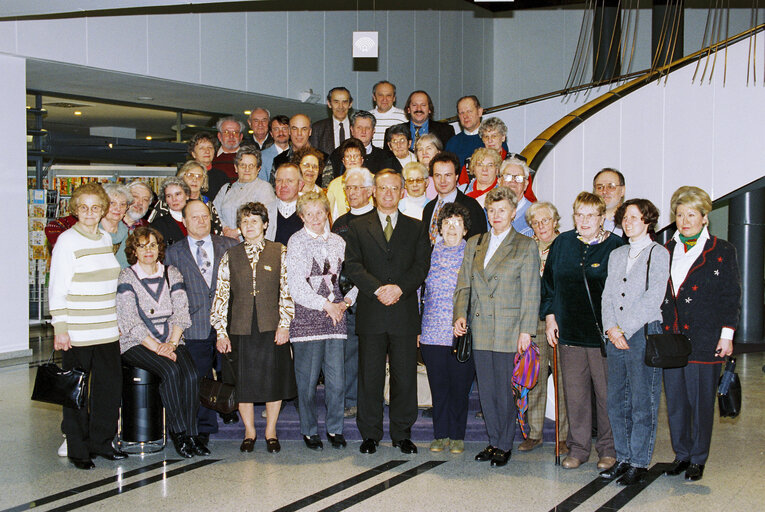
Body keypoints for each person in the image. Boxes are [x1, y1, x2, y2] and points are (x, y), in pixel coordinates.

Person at [344, 170, 431, 454]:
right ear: (374, 191)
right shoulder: (358, 227)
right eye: (383, 188)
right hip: (372, 310)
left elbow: (421, 266)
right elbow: (353, 265)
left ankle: (401, 433)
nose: (389, 193)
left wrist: (400, 289)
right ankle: (370, 433)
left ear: (403, 192)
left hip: (403, 311)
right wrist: (379, 289)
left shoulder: (416, 227)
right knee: (370, 376)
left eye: (395, 188)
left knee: (404, 376)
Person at [453, 187, 541, 467]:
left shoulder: (525, 246)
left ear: (514, 213)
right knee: (487, 390)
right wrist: (459, 314)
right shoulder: (475, 243)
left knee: (504, 391)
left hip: (509, 328)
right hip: (480, 327)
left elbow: (531, 291)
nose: (496, 215)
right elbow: (463, 284)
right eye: (491, 210)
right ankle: (493, 442)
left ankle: (505, 443)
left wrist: (526, 330)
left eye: (502, 210)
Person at [661, 186, 741, 482]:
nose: (684, 220)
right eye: (680, 214)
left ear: (705, 217)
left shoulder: (722, 251)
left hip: (706, 337)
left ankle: (698, 458)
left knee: (700, 401)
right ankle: (681, 455)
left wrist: (727, 334)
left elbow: (730, 295)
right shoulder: (665, 249)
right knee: (677, 401)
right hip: (672, 337)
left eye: (691, 214)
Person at [541, 192, 625, 471]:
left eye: (591, 215)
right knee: (575, 396)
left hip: (603, 336)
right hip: (570, 335)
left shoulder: (616, 246)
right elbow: (549, 285)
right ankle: (578, 448)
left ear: (603, 218)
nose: (584, 220)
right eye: (579, 214)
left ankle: (608, 449)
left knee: (606, 395)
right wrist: (551, 318)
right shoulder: (562, 243)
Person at [49, 182, 125, 470]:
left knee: (108, 390)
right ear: (75, 210)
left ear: (103, 209)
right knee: (76, 391)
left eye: (96, 207)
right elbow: (57, 288)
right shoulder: (67, 241)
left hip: (106, 328)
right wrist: (60, 328)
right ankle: (78, 448)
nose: (90, 212)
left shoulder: (106, 238)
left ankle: (102, 442)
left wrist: (115, 320)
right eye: (84, 207)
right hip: (78, 331)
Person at [210, 202, 297, 454]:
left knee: (273, 382)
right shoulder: (230, 255)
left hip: (272, 328)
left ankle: (270, 431)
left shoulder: (280, 251)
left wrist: (284, 324)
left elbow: (287, 291)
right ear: (239, 226)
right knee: (243, 384)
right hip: (240, 328)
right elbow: (221, 295)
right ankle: (250, 431)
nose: (249, 226)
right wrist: (221, 331)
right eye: (245, 222)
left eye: (254, 221)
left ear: (265, 225)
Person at [116, 227, 207, 458]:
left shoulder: (171, 273)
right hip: (136, 342)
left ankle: (193, 435)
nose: (148, 250)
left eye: (153, 245)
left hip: (171, 339)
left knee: (191, 375)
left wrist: (172, 343)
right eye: (142, 246)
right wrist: (158, 348)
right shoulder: (127, 276)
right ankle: (179, 434)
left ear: (160, 248)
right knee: (170, 371)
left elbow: (181, 312)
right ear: (134, 250)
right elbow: (129, 321)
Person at [599, 199, 670, 485]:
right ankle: (623, 457)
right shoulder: (617, 254)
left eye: (633, 217)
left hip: (642, 332)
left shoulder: (658, 253)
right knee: (617, 401)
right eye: (624, 218)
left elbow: (654, 296)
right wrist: (610, 329)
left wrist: (624, 329)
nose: (628, 223)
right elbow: (607, 296)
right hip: (615, 334)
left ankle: (639, 462)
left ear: (647, 220)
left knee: (643, 400)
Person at [286, 192, 358, 451]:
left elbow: (353, 277)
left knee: (337, 381)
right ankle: (309, 430)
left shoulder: (339, 241)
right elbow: (295, 285)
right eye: (310, 213)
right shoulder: (296, 241)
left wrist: (346, 303)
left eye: (320, 212)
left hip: (336, 317)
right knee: (306, 384)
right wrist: (326, 305)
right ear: (302, 216)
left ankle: (335, 429)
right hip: (308, 319)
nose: (316, 218)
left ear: (328, 213)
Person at [164, 200, 238, 442]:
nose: (201, 221)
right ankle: (203, 429)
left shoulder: (230, 245)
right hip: (193, 325)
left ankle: (229, 409)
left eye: (205, 216)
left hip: (227, 323)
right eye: (194, 217)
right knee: (199, 379)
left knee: (231, 371)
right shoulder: (173, 252)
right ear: (184, 221)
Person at [420, 202, 475, 455]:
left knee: (459, 388)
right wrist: (417, 328)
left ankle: (457, 435)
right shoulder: (428, 254)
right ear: (439, 228)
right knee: (438, 387)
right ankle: (440, 434)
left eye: (457, 223)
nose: (451, 228)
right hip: (431, 330)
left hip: (461, 332)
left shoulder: (474, 255)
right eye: (446, 223)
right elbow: (418, 291)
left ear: (465, 230)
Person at [519, 201, 569, 455]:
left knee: (562, 379)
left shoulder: (567, 245)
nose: (541, 226)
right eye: (536, 222)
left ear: (555, 221)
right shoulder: (528, 248)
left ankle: (563, 437)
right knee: (535, 378)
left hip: (561, 321)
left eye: (545, 220)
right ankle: (535, 433)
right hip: (534, 321)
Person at [330, 167, 375, 419]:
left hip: (369, 296)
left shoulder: (380, 219)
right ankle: (350, 400)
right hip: (344, 299)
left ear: (370, 190)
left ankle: (370, 398)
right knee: (347, 352)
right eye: (348, 187)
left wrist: (357, 291)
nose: (352, 192)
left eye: (357, 187)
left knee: (371, 352)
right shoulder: (340, 223)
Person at [421, 152, 487, 246]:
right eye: (438, 175)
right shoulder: (428, 208)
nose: (442, 181)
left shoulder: (471, 206)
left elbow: (479, 245)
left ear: (456, 176)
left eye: (448, 175)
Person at [213, 145, 277, 240]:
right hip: (225, 243)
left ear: (258, 168)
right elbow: (214, 212)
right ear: (236, 167)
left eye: (251, 165)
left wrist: (238, 232)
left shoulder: (264, 188)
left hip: (252, 247)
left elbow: (268, 223)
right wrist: (226, 229)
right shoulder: (226, 189)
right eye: (243, 165)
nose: (247, 169)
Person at [325, 110, 392, 183]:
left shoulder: (385, 157)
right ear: (352, 130)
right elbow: (327, 184)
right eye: (359, 127)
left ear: (373, 131)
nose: (363, 131)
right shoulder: (338, 154)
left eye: (367, 128)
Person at [387, 90, 454, 151]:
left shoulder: (446, 131)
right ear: (408, 110)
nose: (419, 109)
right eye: (414, 105)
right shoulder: (392, 132)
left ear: (429, 109)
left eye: (423, 105)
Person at [176, 160, 223, 235]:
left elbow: (218, 234)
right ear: (182, 177)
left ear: (203, 181)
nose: (194, 180)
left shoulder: (208, 204)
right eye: (190, 175)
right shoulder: (171, 201)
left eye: (199, 176)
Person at [325, 138, 367, 220]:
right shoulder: (334, 184)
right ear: (343, 161)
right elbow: (330, 214)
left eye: (356, 156)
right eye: (348, 156)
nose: (352, 159)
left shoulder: (373, 180)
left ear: (362, 160)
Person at [311, 87, 353, 155]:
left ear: (350, 104)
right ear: (329, 104)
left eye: (344, 102)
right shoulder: (318, 128)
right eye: (336, 102)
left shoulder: (358, 127)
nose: (340, 106)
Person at [498, 157, 534, 237]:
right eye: (508, 177)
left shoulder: (534, 213)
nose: (513, 181)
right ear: (499, 182)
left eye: (519, 178)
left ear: (525, 184)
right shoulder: (489, 212)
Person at [188, 132, 229, 200]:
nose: (207, 151)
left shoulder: (222, 176)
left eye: (210, 147)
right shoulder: (186, 174)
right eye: (201, 148)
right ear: (193, 154)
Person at [445, 95, 484, 167]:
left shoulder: (492, 139)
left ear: (479, 112)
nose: (465, 116)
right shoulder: (452, 143)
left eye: (469, 111)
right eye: (462, 113)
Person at [271, 162, 305, 245]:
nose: (283, 185)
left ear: (300, 185)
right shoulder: (266, 210)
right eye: (279, 180)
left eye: (289, 181)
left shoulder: (311, 211)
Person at [150, 177, 190, 247]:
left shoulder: (200, 219)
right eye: (169, 196)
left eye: (177, 194)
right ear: (165, 200)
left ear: (187, 195)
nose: (174, 199)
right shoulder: (158, 225)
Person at [100, 183, 133, 268]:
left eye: (122, 204)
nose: (118, 208)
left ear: (127, 208)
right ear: (102, 205)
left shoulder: (131, 236)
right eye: (112, 203)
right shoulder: (91, 233)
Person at [370, 80, 407, 148]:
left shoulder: (405, 117)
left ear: (394, 98)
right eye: (380, 95)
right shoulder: (367, 117)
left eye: (388, 95)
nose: (384, 99)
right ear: (374, 97)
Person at [593, 168, 626, 236]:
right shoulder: (585, 221)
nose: (604, 191)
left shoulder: (633, 220)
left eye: (611, 187)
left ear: (622, 191)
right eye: (600, 187)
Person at [211, 116, 245, 182]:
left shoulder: (250, 159)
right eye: (226, 132)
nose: (231, 136)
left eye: (235, 132)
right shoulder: (210, 158)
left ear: (241, 137)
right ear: (219, 136)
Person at [260, 115, 291, 184]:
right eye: (276, 129)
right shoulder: (262, 157)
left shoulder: (296, 154)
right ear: (271, 133)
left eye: (284, 129)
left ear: (290, 131)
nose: (281, 133)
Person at [415, 133, 443, 200]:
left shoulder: (445, 175)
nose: (424, 152)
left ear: (439, 152)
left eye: (429, 148)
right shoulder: (412, 177)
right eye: (420, 149)